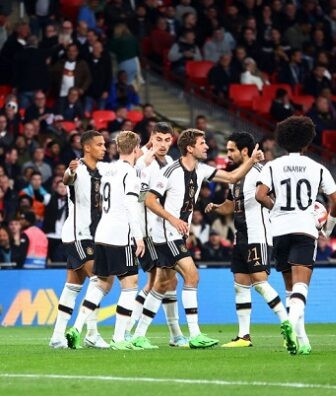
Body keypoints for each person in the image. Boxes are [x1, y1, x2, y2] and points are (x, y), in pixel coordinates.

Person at [132, 129, 264, 349]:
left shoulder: (201, 170)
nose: (207, 147)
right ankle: (195, 333)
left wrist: (250, 161)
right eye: (203, 143)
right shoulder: (170, 171)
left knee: (162, 284)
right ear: (190, 148)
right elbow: (150, 201)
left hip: (176, 234)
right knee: (192, 276)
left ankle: (138, 335)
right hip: (165, 233)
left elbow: (232, 177)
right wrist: (173, 219)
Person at [256, 116, 336, 355]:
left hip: (279, 230)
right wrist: (328, 227)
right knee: (301, 287)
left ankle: (301, 341)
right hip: (305, 229)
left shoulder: (272, 166)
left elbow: (260, 195)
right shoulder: (317, 167)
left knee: (289, 289)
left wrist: (276, 207)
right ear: (307, 142)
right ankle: (290, 325)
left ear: (282, 141)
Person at [205, 132, 294, 349]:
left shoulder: (260, 172)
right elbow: (230, 205)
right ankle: (244, 336)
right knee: (240, 284)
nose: (228, 155)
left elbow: (275, 197)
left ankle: (288, 323)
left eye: (231, 150)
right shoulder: (235, 176)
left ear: (245, 151)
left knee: (260, 284)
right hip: (241, 236)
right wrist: (217, 207)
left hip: (259, 235)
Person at [65, 131, 145, 350]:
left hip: (102, 235)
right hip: (121, 235)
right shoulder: (130, 173)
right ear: (136, 149)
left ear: (118, 149)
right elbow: (130, 205)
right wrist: (138, 236)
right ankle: (119, 339)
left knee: (102, 283)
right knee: (130, 285)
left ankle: (77, 327)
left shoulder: (109, 170)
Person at [125, 122, 187, 347]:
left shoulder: (170, 162)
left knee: (167, 281)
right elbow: (138, 199)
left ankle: (173, 334)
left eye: (167, 140)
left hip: (162, 230)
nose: (162, 144)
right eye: (158, 139)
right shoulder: (143, 162)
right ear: (151, 138)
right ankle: (131, 332)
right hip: (147, 230)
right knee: (159, 281)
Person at [49, 130, 108, 350]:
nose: (104, 147)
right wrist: (69, 172)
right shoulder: (76, 167)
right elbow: (67, 179)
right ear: (87, 147)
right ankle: (91, 333)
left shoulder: (103, 171)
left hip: (91, 237)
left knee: (73, 286)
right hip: (78, 235)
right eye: (100, 144)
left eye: (105, 144)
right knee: (100, 280)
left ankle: (57, 337)